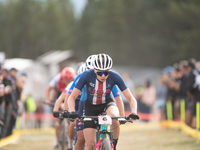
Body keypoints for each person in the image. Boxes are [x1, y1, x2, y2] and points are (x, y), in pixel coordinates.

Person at [67, 53, 139, 150]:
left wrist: (133, 112)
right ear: (94, 70)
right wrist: (72, 111)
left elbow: (130, 98)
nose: (103, 75)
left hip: (107, 104)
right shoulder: (86, 75)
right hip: (90, 107)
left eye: (106, 72)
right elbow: (71, 97)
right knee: (90, 144)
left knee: (114, 118)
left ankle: (114, 144)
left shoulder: (115, 76)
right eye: (100, 73)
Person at [45, 66, 76, 150]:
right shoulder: (58, 77)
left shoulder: (75, 79)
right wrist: (48, 100)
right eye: (66, 80)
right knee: (58, 120)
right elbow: (48, 89)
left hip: (70, 94)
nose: (67, 82)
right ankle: (56, 141)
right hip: (60, 94)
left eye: (70, 80)